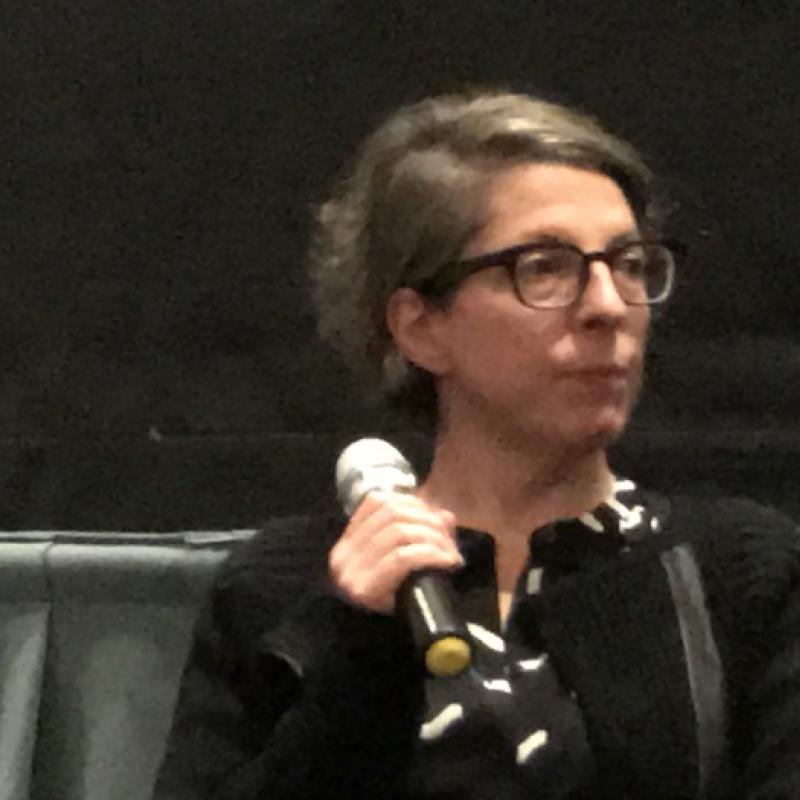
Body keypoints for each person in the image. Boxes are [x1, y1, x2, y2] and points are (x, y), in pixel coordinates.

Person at [153, 90, 800, 800]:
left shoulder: (742, 575)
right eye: (545, 267)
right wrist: (355, 657)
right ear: (420, 327)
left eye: (631, 263)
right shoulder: (284, 588)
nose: (609, 306)